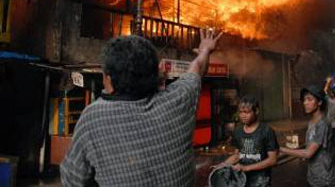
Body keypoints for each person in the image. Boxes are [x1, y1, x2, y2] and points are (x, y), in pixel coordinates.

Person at [60, 30, 222, 187]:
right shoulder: (179, 99)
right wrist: (205, 50)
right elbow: (197, 67)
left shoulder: (93, 117)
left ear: (108, 80)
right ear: (156, 74)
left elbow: (73, 179)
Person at [214, 95, 278, 187]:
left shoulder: (266, 131)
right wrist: (222, 165)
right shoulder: (238, 131)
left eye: (247, 112)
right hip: (242, 181)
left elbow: (273, 160)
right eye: (240, 112)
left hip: (261, 182)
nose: (243, 115)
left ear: (256, 111)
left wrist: (246, 168)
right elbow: (237, 156)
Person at [280, 85, 335, 187]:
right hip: (313, 176)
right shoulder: (312, 121)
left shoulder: (322, 123)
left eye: (309, 99)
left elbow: (308, 153)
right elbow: (310, 146)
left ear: (319, 102)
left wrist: (280, 149)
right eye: (304, 99)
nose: (305, 103)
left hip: (324, 179)